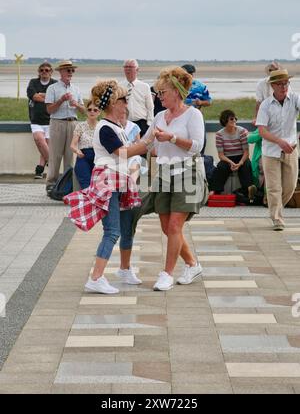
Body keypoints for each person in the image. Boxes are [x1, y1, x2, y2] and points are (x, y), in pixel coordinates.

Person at [64, 80, 156, 294]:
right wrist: (147, 142)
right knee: (112, 231)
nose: (127, 103)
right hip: (108, 179)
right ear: (114, 103)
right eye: (124, 99)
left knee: (122, 227)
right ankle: (96, 277)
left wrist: (145, 142)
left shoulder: (117, 127)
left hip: (118, 179)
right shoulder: (105, 128)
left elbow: (126, 152)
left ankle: (122, 270)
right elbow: (122, 153)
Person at [140, 66, 207, 291]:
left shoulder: (193, 114)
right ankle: (192, 264)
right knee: (167, 226)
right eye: (158, 93)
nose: (160, 97)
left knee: (176, 225)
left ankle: (166, 274)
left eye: (163, 93)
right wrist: (117, 150)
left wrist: (173, 138)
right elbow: (146, 142)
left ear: (177, 92)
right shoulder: (159, 116)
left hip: (188, 173)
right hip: (164, 174)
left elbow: (198, 146)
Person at [256, 69, 300, 231]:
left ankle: (274, 204)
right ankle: (277, 218)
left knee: (290, 185)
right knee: (274, 187)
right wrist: (280, 142)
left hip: (291, 149)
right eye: (280, 84)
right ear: (272, 86)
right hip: (270, 151)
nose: (284, 87)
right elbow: (262, 130)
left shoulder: (295, 99)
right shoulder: (266, 105)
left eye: (286, 83)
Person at [45, 60, 85, 193]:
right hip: (57, 122)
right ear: (61, 72)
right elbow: (49, 110)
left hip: (73, 123)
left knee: (70, 156)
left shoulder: (76, 89)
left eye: (72, 70)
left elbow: (84, 110)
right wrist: (61, 100)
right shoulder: (53, 88)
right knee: (55, 155)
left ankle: (67, 184)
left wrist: (77, 105)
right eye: (68, 70)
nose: (71, 73)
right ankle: (51, 182)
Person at [210, 110, 256, 199]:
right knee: (221, 167)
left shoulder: (242, 131)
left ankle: (248, 190)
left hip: (241, 156)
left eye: (235, 118)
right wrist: (231, 162)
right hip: (227, 158)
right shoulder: (219, 134)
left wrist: (240, 162)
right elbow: (221, 155)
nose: (234, 120)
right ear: (224, 120)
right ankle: (215, 191)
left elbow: (246, 152)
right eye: (231, 118)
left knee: (246, 165)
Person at [26, 62, 57, 179]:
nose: (44, 72)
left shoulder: (55, 84)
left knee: (44, 147)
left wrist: (41, 95)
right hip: (36, 120)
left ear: (51, 72)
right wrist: (48, 98)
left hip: (51, 120)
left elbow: (57, 98)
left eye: (47, 70)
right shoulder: (33, 82)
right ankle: (53, 164)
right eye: (42, 70)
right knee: (39, 140)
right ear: (39, 72)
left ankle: (39, 169)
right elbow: (33, 96)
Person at [181, 63, 212, 156]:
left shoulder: (200, 86)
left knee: (201, 139)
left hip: (197, 117)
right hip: (180, 116)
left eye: (190, 73)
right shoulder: (176, 86)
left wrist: (201, 103)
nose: (189, 75)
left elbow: (209, 101)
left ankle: (200, 158)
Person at [70, 101, 100, 189]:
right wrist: (77, 151)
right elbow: (73, 145)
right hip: (83, 155)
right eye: (89, 109)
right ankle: (88, 200)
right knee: (85, 182)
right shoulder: (80, 126)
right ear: (86, 111)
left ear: (99, 112)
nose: (92, 112)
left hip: (98, 157)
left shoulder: (101, 126)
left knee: (98, 182)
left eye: (95, 110)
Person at [123, 59, 154, 137]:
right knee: (126, 147)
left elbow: (150, 107)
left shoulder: (144, 86)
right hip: (126, 123)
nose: (128, 69)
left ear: (137, 70)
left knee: (142, 147)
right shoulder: (120, 86)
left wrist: (149, 124)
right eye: (126, 67)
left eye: (130, 67)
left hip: (141, 123)